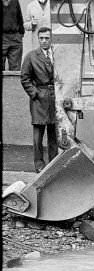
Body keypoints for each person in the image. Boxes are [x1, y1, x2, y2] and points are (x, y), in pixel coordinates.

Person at [19, 26, 58, 172]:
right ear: (38, 39)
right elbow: (24, 78)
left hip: (55, 98)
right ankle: (39, 165)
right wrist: (35, 93)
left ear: (51, 39)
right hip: (39, 99)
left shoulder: (57, 54)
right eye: (41, 38)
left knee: (54, 134)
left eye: (47, 38)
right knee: (38, 135)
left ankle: (54, 164)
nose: (44, 41)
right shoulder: (31, 56)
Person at [2, 0, 25, 71]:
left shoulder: (15, 1)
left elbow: (20, 18)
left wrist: (20, 34)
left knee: (15, 69)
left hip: (15, 38)